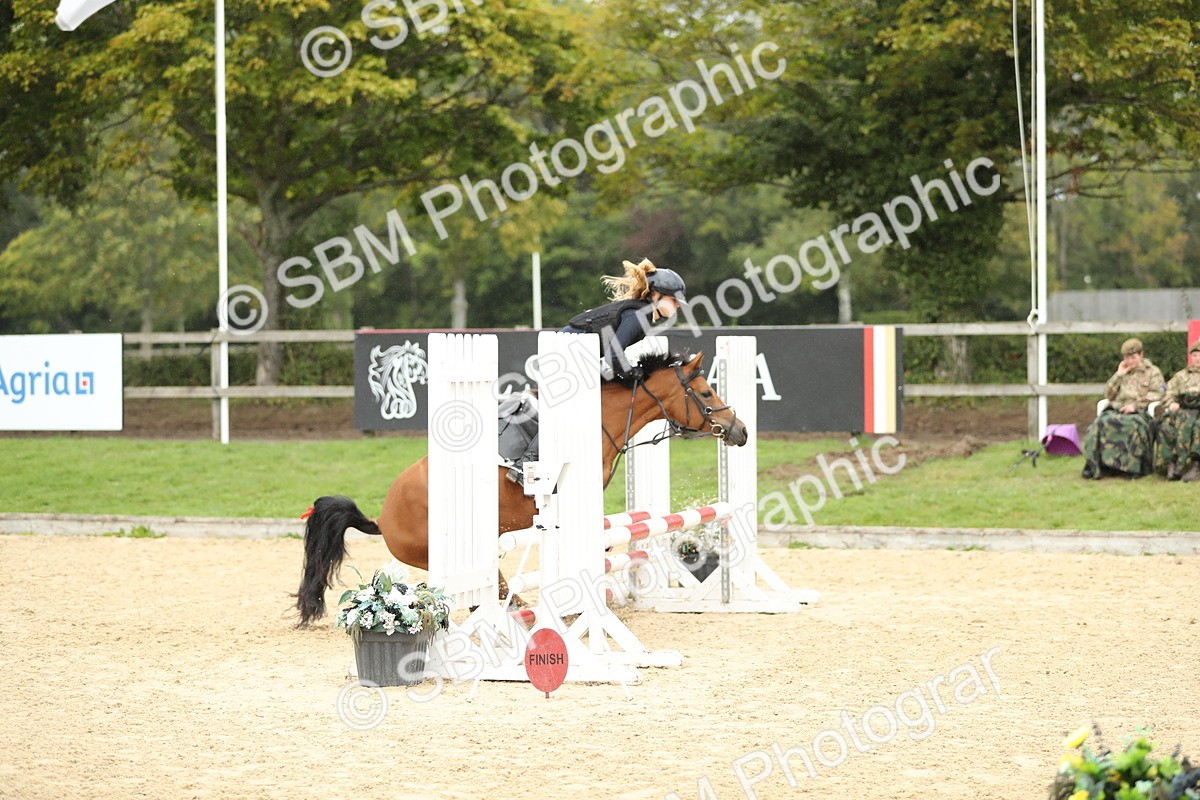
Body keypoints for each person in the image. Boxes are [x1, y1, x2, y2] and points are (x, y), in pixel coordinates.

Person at [561, 258, 687, 380]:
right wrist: (631, 373)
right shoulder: (639, 315)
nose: (678, 305)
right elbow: (613, 355)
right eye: (674, 299)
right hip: (566, 352)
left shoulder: (641, 313)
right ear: (655, 295)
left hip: (573, 352)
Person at [1081, 338, 1165, 479]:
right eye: (1126, 358)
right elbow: (1108, 394)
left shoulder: (1152, 372)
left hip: (1140, 412)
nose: (1130, 361)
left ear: (1141, 355)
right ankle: (1096, 465)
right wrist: (1118, 375)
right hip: (1117, 409)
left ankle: (1131, 468)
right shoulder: (1122, 372)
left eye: (1133, 357)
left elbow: (1159, 393)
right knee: (1099, 424)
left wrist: (1136, 405)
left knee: (1133, 425)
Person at [1157, 339, 1200, 482]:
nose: (1197, 358)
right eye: (1195, 355)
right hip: (1182, 411)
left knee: (1197, 426)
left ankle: (1195, 465)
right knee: (1166, 424)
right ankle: (1171, 464)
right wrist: (1171, 403)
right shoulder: (1180, 376)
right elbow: (1168, 393)